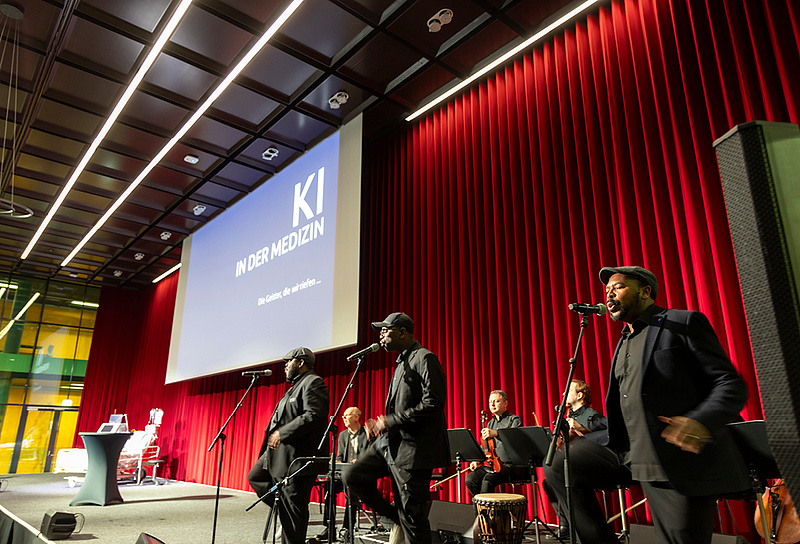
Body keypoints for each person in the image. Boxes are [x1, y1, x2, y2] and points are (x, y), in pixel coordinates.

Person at [601, 265, 750, 544]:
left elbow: (730, 384)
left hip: (681, 460)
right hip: (637, 459)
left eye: (618, 287)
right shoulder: (623, 342)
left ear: (645, 291)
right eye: (607, 289)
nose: (609, 293)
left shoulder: (681, 322)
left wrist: (700, 421)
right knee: (563, 465)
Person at [343, 312, 449, 544]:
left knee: (413, 517)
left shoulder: (425, 358)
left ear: (402, 332)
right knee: (353, 475)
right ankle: (396, 516)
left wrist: (390, 421)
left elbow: (433, 403)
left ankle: (404, 518)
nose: (380, 336)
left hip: (414, 450)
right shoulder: (403, 362)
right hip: (391, 444)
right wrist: (384, 425)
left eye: (385, 330)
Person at [248, 347, 330, 544]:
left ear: (300, 363)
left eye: (288, 361)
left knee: (294, 509)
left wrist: (282, 433)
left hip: (297, 458)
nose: (285, 366)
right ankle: (282, 507)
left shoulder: (313, 382)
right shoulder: (295, 386)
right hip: (279, 455)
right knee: (256, 477)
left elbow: (313, 415)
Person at [542, 380, 625, 543]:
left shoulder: (592, 415)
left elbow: (610, 434)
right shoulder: (568, 416)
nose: (563, 394)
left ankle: (585, 531)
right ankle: (567, 524)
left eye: (568, 391)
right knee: (548, 481)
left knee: (562, 474)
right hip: (573, 464)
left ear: (579, 395)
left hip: (596, 466)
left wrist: (582, 430)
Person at [318, 406, 369, 541]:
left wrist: (360, 461)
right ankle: (329, 528)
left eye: (347, 415)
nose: (343, 418)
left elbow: (372, 456)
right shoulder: (342, 435)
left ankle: (347, 528)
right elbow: (340, 457)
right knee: (329, 487)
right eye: (343, 416)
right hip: (343, 474)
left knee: (352, 491)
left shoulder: (367, 434)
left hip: (360, 476)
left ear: (356, 417)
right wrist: (337, 461)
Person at [465, 390, 527, 496]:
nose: (492, 404)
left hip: (510, 465)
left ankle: (488, 506)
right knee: (470, 480)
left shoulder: (514, 420)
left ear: (505, 403)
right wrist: (477, 460)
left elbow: (515, 440)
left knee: (487, 480)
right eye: (490, 402)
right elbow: (485, 447)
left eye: (496, 401)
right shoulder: (490, 423)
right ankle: (481, 505)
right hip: (492, 464)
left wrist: (497, 434)